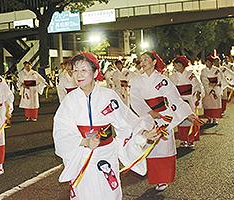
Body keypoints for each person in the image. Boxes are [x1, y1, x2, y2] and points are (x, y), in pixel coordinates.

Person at [53, 52, 160, 199]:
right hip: (82, 156)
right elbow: (61, 131)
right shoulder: (69, 101)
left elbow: (127, 124)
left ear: (95, 72)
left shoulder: (109, 96)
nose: (78, 74)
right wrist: (84, 141)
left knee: (108, 193)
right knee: (85, 194)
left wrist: (143, 135)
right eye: (75, 70)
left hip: (107, 154)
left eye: (84, 70)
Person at [129, 51, 196, 191]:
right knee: (151, 148)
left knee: (164, 148)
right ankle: (155, 177)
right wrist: (149, 112)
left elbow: (174, 98)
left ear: (154, 62)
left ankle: (163, 179)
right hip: (148, 116)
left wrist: (188, 113)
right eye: (142, 60)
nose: (143, 62)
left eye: (146, 59)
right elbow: (135, 101)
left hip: (164, 116)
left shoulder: (163, 80)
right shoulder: (136, 80)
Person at [169, 56, 202, 147]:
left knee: (190, 119)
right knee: (181, 120)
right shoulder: (172, 77)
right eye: (175, 64)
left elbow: (197, 85)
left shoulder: (190, 74)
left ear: (184, 65)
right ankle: (183, 140)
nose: (177, 66)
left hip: (190, 98)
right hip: (179, 100)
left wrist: (198, 92)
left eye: (179, 64)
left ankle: (190, 139)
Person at [200, 55, 222, 126]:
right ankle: (209, 118)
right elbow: (203, 78)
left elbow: (220, 78)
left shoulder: (216, 70)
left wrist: (216, 84)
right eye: (207, 62)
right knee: (208, 104)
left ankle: (214, 119)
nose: (208, 63)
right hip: (208, 88)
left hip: (216, 88)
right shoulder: (203, 70)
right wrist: (209, 85)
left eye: (210, 62)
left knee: (215, 104)